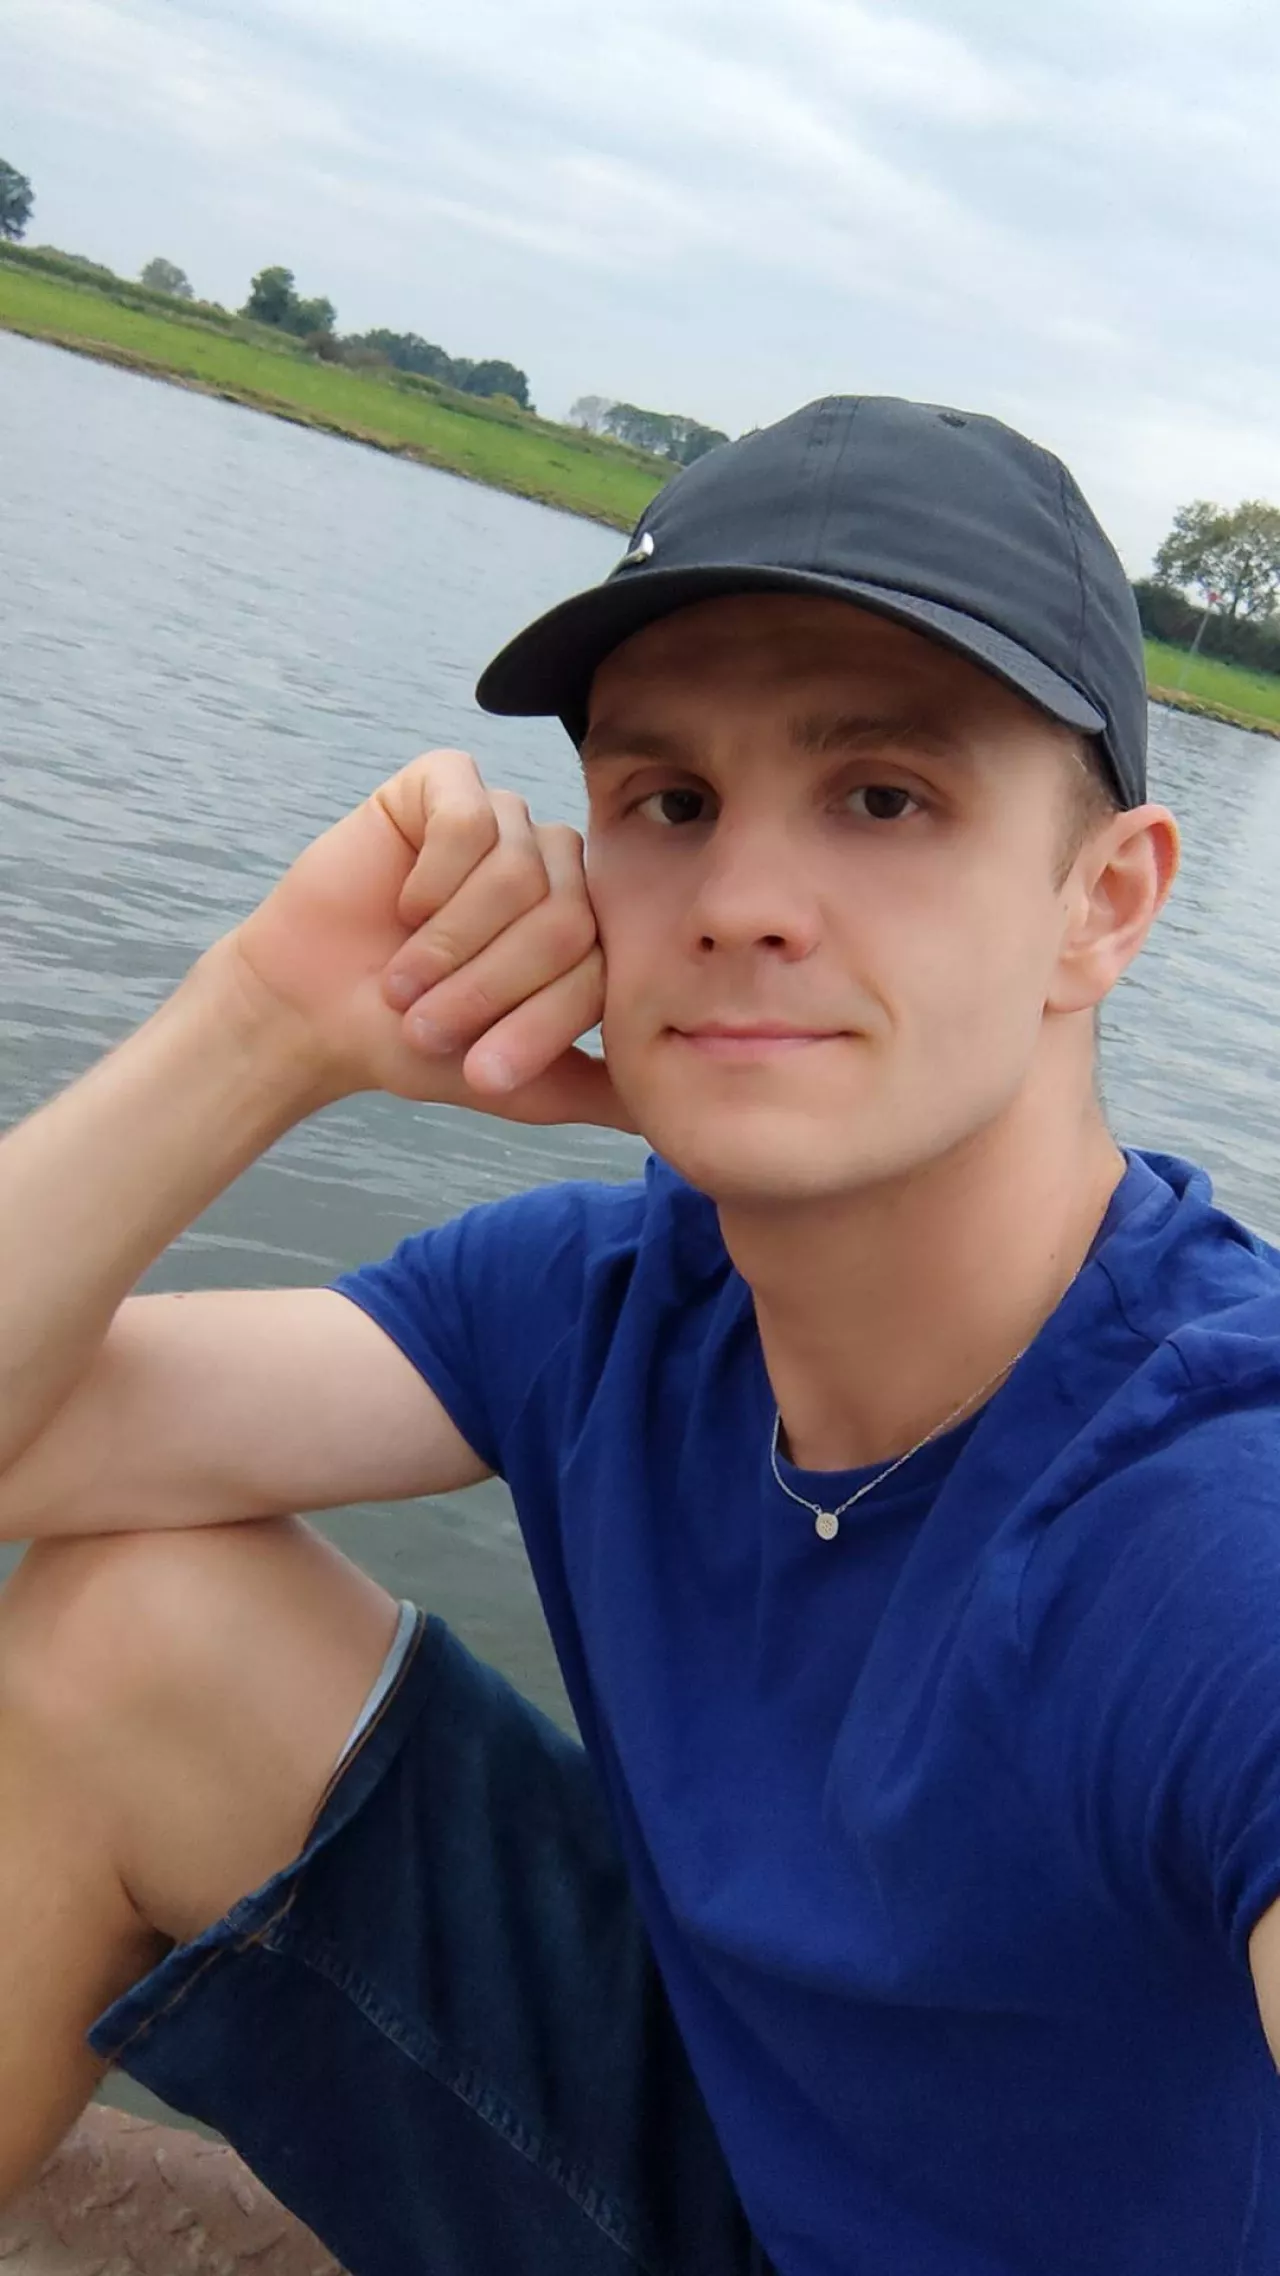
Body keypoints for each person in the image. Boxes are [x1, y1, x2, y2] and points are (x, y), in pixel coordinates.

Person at [0, 393, 1278, 2276]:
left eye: (884, 797)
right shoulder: (610, 1304)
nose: (741, 904)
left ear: (1105, 903)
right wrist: (262, 1026)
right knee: (136, 1619)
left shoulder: (1204, 1506)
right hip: (728, 2181)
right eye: (670, 803)